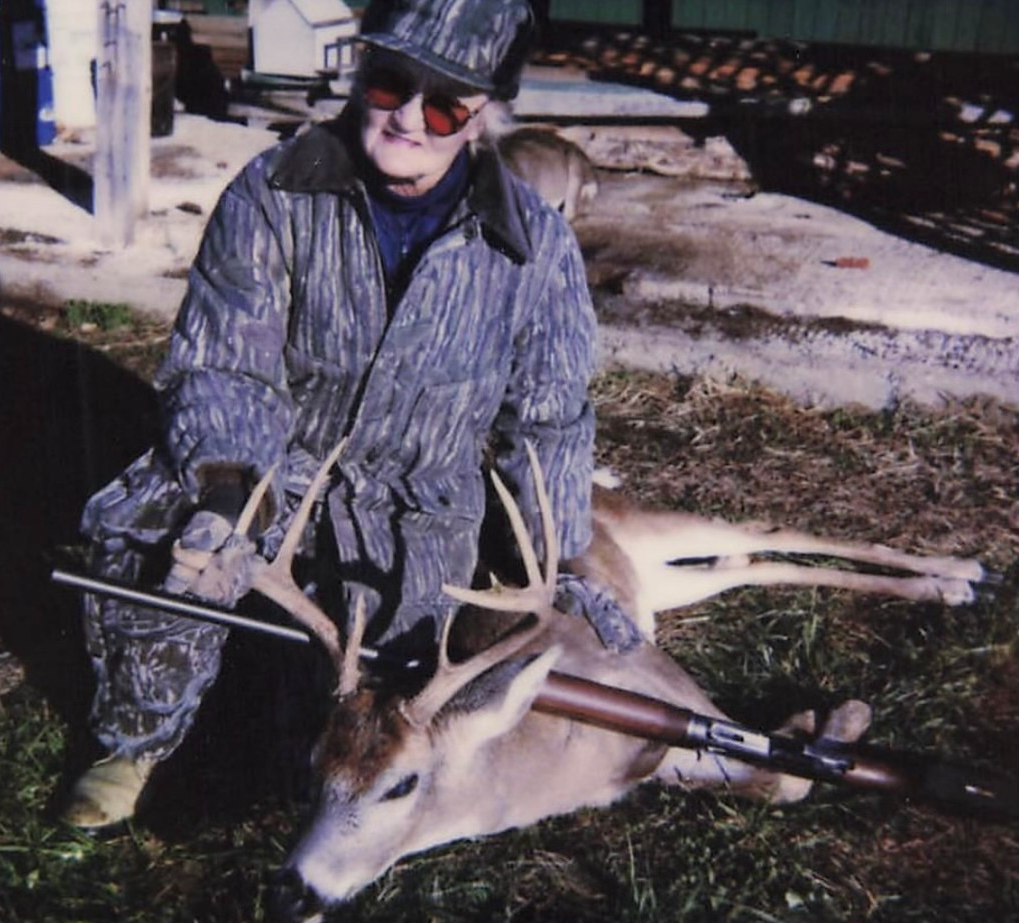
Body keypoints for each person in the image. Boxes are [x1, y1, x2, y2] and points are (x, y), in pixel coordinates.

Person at [61, 0, 630, 830]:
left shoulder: (535, 244)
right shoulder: (274, 192)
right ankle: (135, 740)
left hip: (420, 502)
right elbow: (226, 361)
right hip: (275, 464)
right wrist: (227, 496)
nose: (409, 117)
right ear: (361, 77)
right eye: (391, 83)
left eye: (445, 104)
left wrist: (559, 551)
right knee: (164, 535)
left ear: (481, 118)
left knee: (386, 689)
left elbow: (547, 421)